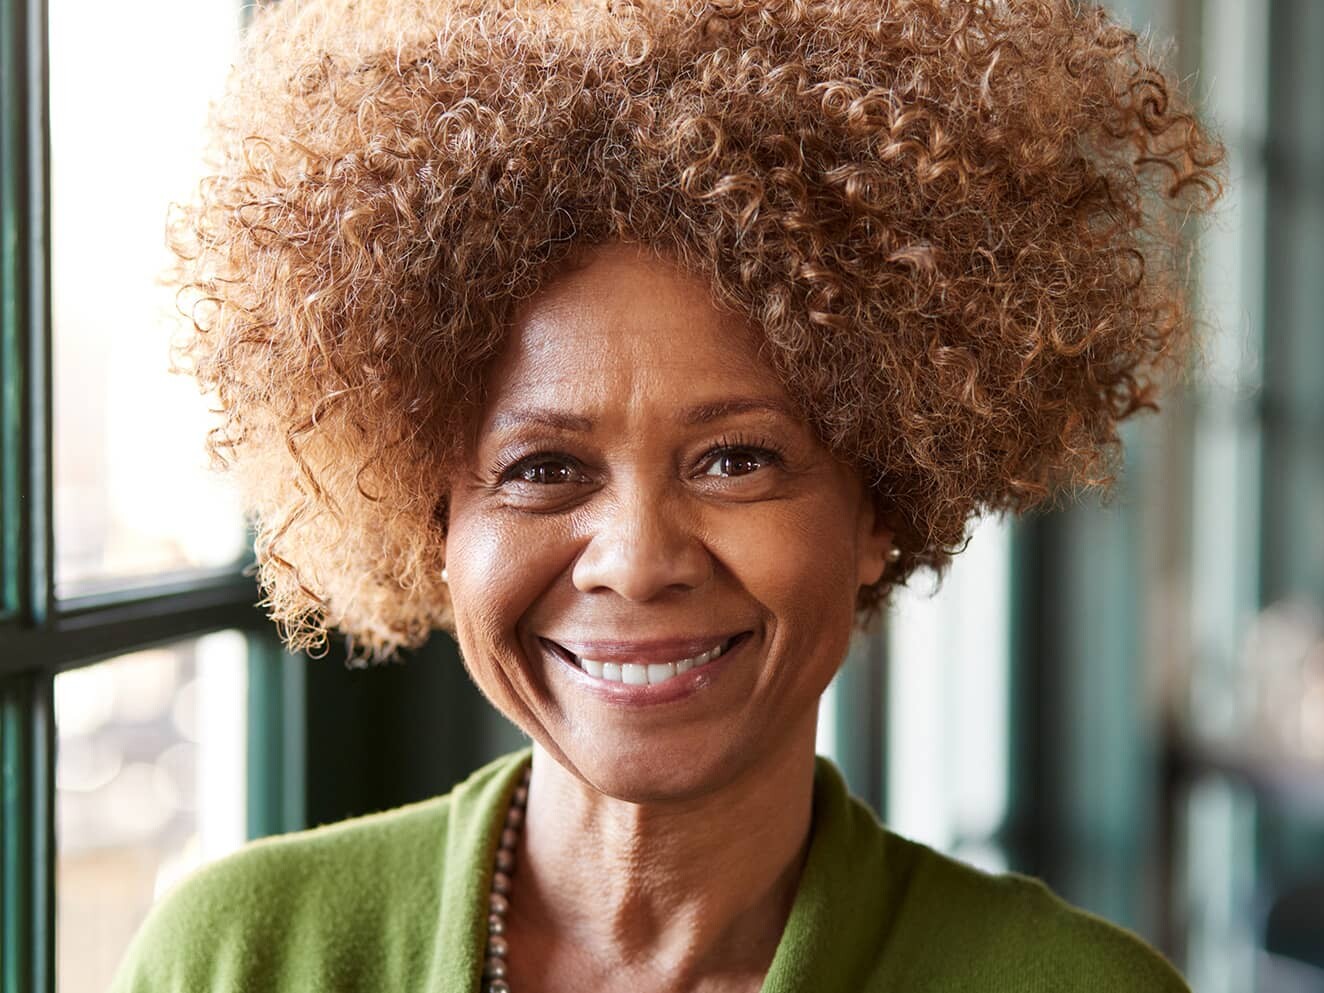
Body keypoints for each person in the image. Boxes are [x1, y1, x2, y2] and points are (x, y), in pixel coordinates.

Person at [111, 0, 1223, 990]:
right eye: (544, 470)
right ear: (435, 518)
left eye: (737, 459)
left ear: (879, 506)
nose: (637, 560)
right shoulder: (238, 958)